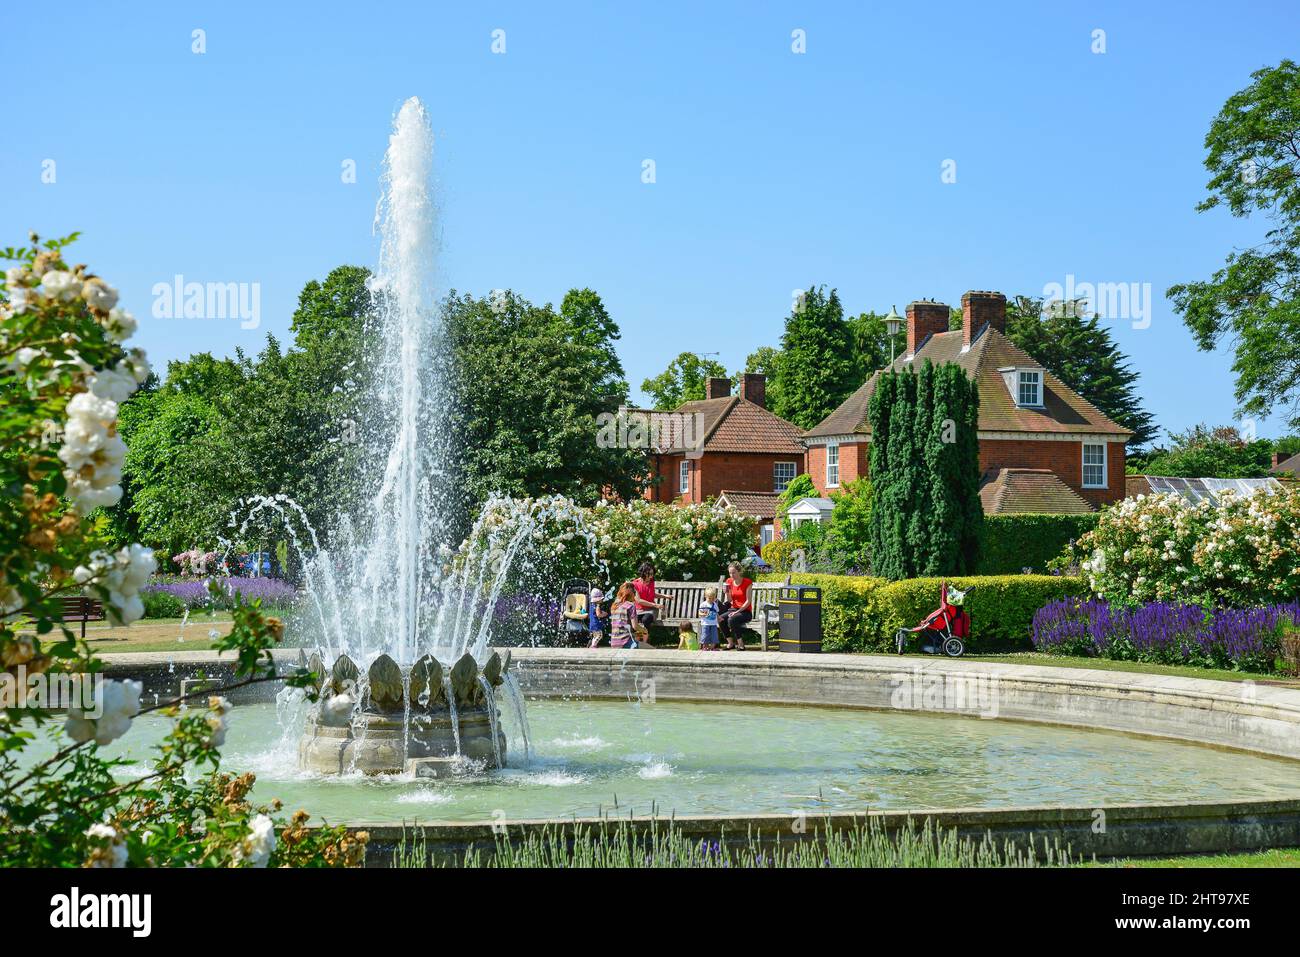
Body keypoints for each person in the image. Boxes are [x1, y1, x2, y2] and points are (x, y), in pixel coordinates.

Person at [719, 562, 753, 650]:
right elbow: (730, 600)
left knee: (731, 619)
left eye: (733, 572)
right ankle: (730, 643)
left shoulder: (747, 582)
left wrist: (737, 612)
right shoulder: (729, 581)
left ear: (739, 571)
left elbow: (748, 601)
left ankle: (741, 644)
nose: (731, 575)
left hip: (745, 611)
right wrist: (727, 593)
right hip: (733, 609)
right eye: (730, 573)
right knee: (720, 619)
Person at [631, 561, 664, 632]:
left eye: (653, 573)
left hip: (650, 610)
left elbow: (651, 594)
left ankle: (644, 640)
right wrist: (655, 604)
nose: (652, 575)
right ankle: (639, 640)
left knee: (645, 620)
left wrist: (665, 596)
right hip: (638, 610)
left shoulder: (651, 582)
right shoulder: (634, 584)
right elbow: (639, 600)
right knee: (634, 621)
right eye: (650, 573)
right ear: (644, 573)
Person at [608, 582, 641, 649]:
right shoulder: (631, 606)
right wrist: (643, 630)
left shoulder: (614, 605)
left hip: (614, 643)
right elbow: (635, 627)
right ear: (631, 593)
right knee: (650, 649)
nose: (635, 595)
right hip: (625, 643)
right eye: (634, 592)